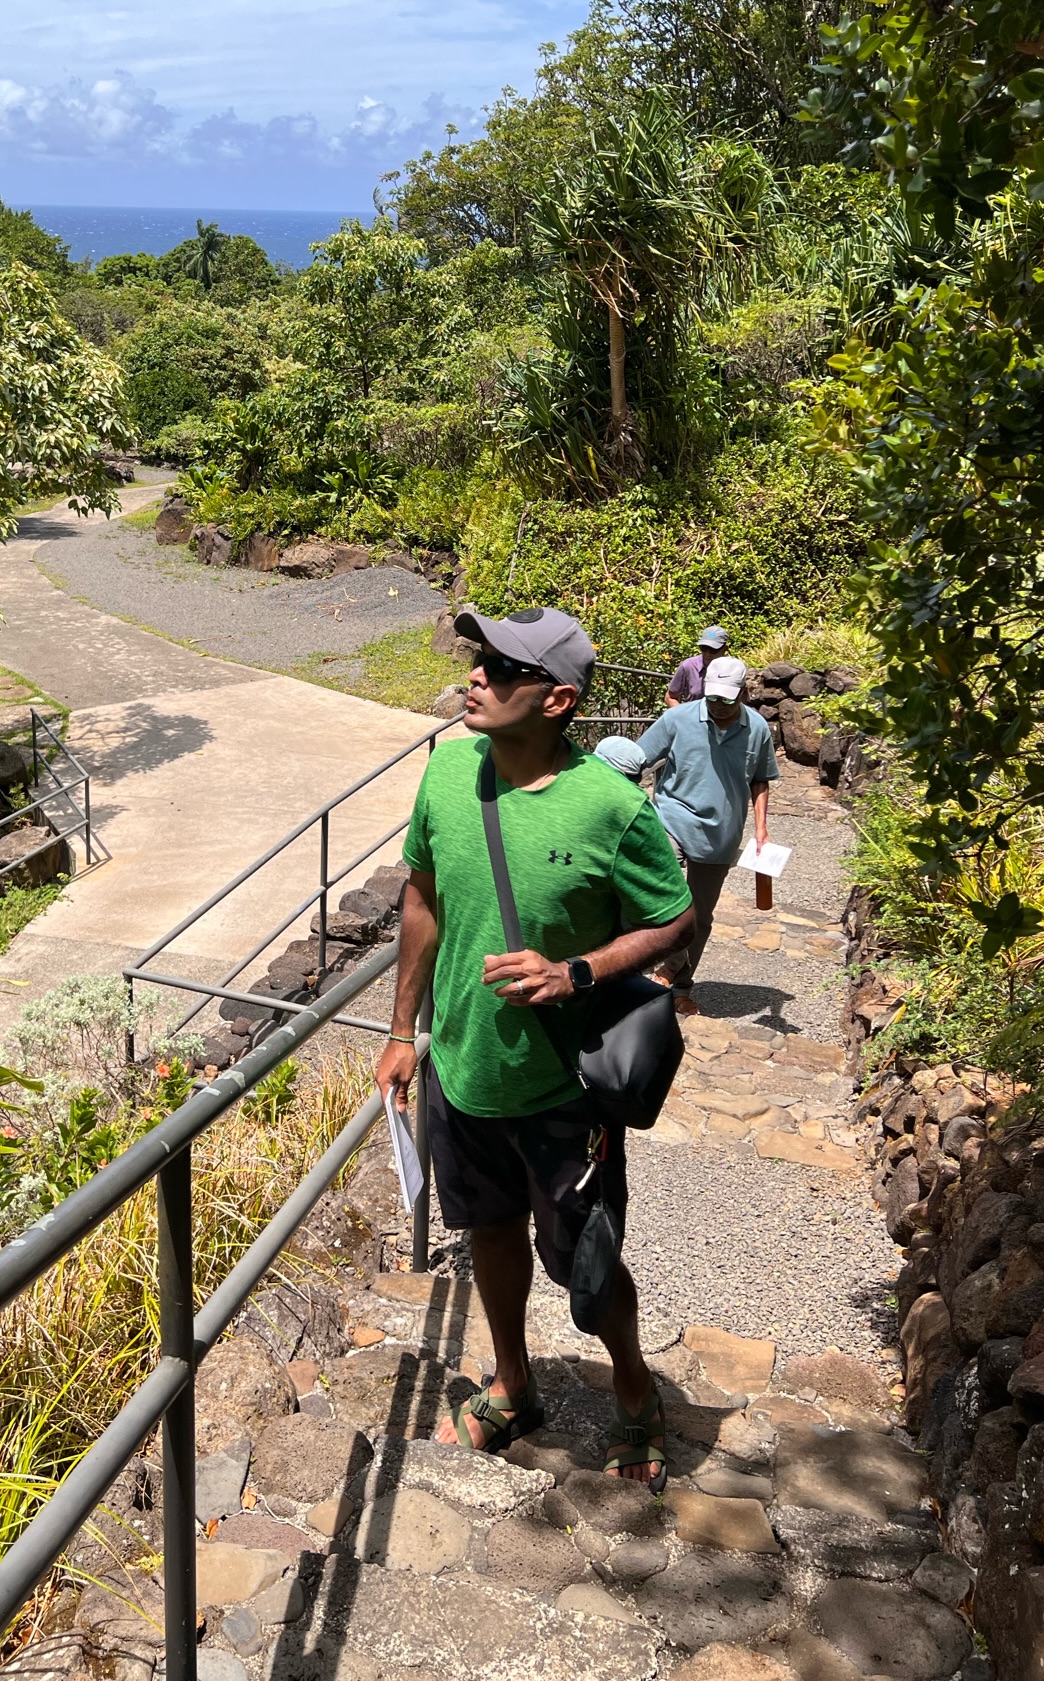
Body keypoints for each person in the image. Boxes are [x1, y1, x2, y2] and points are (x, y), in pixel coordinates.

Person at [376, 605, 694, 1489]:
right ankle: (514, 1384)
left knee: (586, 1265)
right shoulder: (446, 771)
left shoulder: (612, 807)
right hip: (463, 1071)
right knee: (486, 1232)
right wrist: (403, 1032)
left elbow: (675, 916)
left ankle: (637, 1393)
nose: (476, 676)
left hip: (561, 1088)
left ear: (556, 699)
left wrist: (578, 971)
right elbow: (423, 901)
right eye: (478, 659)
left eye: (500, 669)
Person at [639, 654, 778, 1013]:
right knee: (659, 899)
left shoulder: (758, 728)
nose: (718, 706)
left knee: (699, 917)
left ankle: (678, 984)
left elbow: (760, 778)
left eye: (726, 700)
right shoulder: (677, 719)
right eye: (712, 698)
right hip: (670, 821)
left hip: (721, 835)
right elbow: (635, 759)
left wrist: (761, 829)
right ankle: (641, 971)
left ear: (743, 693)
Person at [665, 625, 729, 707]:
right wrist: (683, 715)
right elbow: (670, 697)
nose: (708, 654)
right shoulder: (688, 666)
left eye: (713, 650)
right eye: (704, 648)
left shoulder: (732, 669)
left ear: (725, 649)